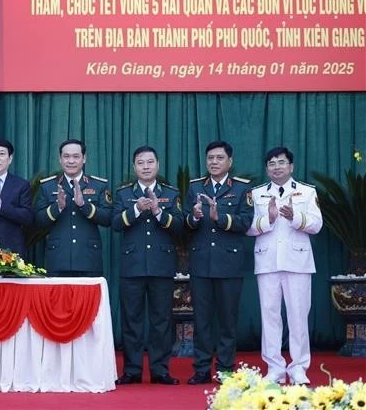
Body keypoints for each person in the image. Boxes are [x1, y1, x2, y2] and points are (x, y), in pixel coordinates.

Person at [246, 147, 322, 385]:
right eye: (271, 163)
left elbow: (317, 225)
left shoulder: (307, 192)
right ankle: (275, 368)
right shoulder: (257, 194)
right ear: (266, 168)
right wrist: (267, 220)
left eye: (281, 162)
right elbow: (247, 228)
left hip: (297, 262)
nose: (276, 167)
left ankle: (299, 368)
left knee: (299, 315)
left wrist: (295, 218)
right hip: (267, 261)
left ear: (291, 166)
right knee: (269, 316)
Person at [111, 146, 184, 386]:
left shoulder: (171, 194)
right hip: (132, 266)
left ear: (158, 165)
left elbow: (180, 226)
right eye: (140, 163)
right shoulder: (123, 194)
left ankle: (160, 370)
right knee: (132, 320)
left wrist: (158, 211)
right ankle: (131, 370)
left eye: (150, 162)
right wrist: (135, 209)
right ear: (134, 167)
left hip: (161, 266)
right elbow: (115, 224)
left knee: (161, 320)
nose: (145, 166)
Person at [184, 140, 254, 384]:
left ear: (230, 162)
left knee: (227, 320)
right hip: (201, 263)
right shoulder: (195, 188)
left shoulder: (242, 189)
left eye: (219, 158)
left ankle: (225, 369)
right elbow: (186, 223)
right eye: (210, 158)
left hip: (229, 264)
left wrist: (220, 217)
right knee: (201, 320)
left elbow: (246, 222)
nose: (214, 162)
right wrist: (194, 216)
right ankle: (202, 369)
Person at [35, 139, 112, 277]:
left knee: (88, 299)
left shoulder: (99, 185)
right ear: (60, 159)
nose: (71, 161)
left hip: (88, 259)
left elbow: (108, 219)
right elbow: (38, 221)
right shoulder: (47, 186)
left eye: (76, 156)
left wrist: (84, 205)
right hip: (58, 259)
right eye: (66, 156)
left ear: (84, 159)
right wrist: (57, 207)